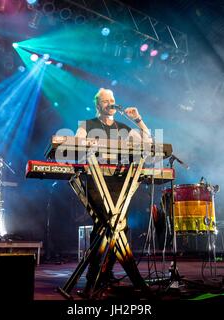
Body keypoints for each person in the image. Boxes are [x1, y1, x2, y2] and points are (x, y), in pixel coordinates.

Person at [76, 88, 151, 298]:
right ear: (98, 105)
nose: (111, 103)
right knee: (109, 224)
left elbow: (149, 144)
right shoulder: (87, 125)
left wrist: (139, 120)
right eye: (106, 100)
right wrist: (89, 143)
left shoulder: (124, 127)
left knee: (116, 226)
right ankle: (102, 278)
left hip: (120, 182)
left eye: (113, 100)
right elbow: (75, 144)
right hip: (96, 182)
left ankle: (101, 276)